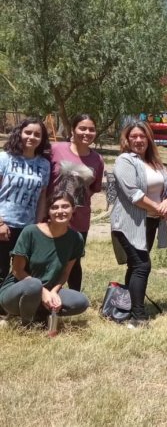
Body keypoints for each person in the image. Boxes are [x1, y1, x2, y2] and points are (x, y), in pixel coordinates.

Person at [111, 121, 167, 328]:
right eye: (133, 136)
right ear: (127, 140)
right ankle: (138, 317)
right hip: (129, 223)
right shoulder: (124, 161)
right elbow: (133, 194)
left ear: (149, 139)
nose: (138, 140)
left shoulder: (155, 162)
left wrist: (166, 203)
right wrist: (158, 207)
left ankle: (126, 308)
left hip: (151, 222)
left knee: (135, 266)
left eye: (142, 136)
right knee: (141, 265)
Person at [0, 192, 88, 327]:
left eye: (65, 206)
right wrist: (43, 291)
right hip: (19, 289)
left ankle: (42, 314)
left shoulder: (76, 239)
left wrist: (53, 292)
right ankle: (27, 324)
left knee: (81, 301)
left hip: (47, 289)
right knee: (34, 285)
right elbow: (17, 271)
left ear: (73, 209)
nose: (60, 211)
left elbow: (65, 273)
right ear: (48, 211)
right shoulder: (30, 232)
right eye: (55, 207)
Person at [48, 114, 104, 291]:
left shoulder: (97, 160)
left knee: (74, 261)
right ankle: (44, 298)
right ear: (73, 130)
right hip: (51, 216)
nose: (87, 132)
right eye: (82, 128)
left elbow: (94, 188)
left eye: (91, 129)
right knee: (49, 257)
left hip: (79, 219)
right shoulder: (56, 149)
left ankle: (73, 299)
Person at [0, 118, 51, 283]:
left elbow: (42, 197)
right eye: (28, 132)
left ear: (42, 139)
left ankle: (12, 306)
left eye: (37, 134)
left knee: (22, 272)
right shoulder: (5, 158)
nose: (32, 137)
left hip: (27, 228)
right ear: (19, 133)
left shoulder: (44, 164)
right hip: (4, 224)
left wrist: (36, 227)